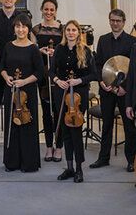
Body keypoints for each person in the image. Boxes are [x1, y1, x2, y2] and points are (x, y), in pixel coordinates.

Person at [90, 8, 136, 172]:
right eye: (112, 20)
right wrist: (101, 81)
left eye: (118, 20)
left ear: (123, 22)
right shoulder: (103, 40)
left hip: (124, 92)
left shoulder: (132, 41)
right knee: (107, 124)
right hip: (107, 89)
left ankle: (132, 160)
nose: (115, 23)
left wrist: (123, 88)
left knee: (129, 125)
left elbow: (133, 68)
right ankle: (103, 158)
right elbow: (98, 64)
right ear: (109, 20)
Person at [51, 19, 97, 183]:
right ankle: (69, 168)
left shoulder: (85, 50)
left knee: (76, 132)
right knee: (65, 131)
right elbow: (50, 72)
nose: (71, 33)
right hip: (61, 93)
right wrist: (57, 80)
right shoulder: (59, 49)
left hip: (78, 96)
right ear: (65, 32)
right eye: (68, 30)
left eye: (73, 30)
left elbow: (94, 74)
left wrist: (79, 81)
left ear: (78, 33)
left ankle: (79, 169)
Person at [0, 0, 31, 147]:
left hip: (20, 68)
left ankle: (17, 136)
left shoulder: (23, 17)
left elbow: (30, 39)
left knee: (19, 102)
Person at [0, 14, 46, 173]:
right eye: (17, 26)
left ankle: (28, 163)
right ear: (14, 28)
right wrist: (6, 78)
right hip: (11, 91)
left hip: (28, 92)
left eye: (24, 26)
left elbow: (40, 73)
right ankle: (11, 162)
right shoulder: (8, 46)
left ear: (28, 28)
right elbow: (2, 67)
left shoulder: (33, 48)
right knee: (11, 125)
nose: (20, 29)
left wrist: (24, 81)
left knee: (27, 125)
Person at [34, 0, 63, 161]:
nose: (49, 12)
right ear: (42, 10)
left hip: (58, 75)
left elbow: (67, 49)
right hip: (43, 76)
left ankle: (59, 147)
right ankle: (48, 146)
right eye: (46, 9)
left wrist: (56, 52)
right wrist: (40, 51)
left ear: (56, 11)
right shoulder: (35, 30)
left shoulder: (62, 28)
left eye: (52, 9)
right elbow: (31, 49)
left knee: (58, 111)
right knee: (46, 112)